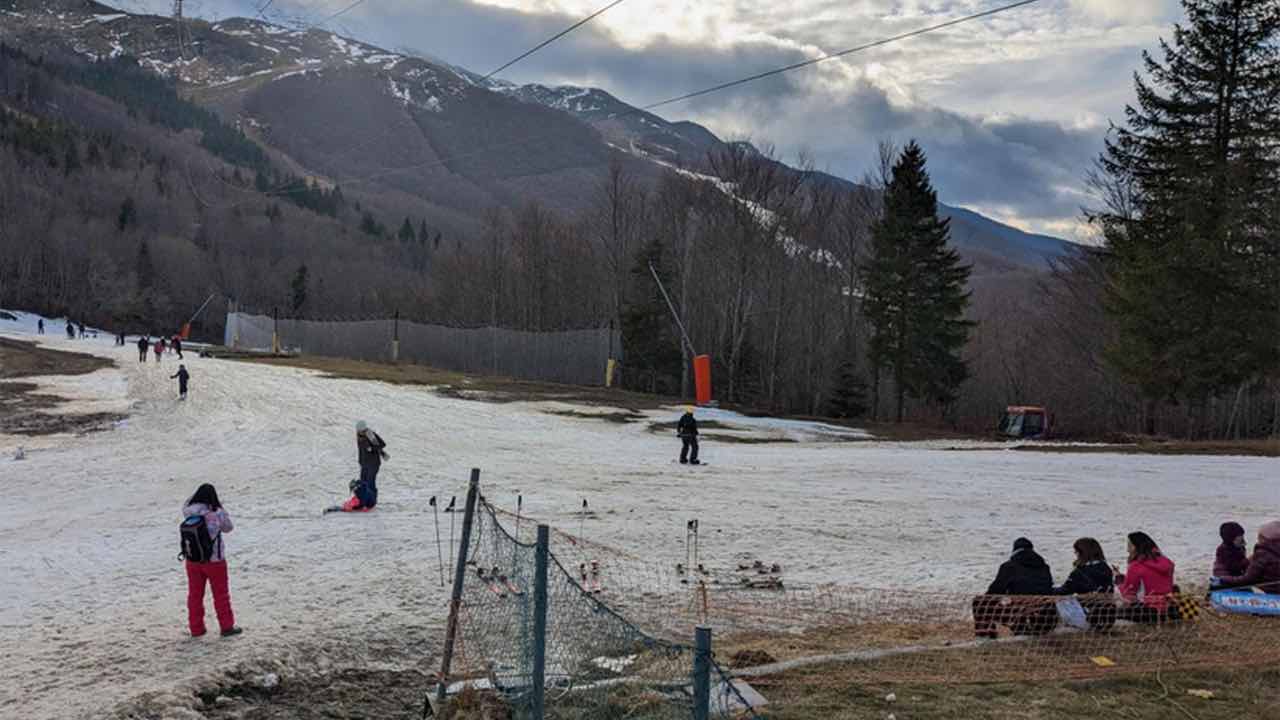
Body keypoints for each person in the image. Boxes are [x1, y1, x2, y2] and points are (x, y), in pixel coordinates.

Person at [181, 484, 242, 638]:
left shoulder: (188, 511)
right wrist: (219, 505)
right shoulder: (217, 513)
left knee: (195, 595)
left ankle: (196, 629)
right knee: (221, 595)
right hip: (215, 561)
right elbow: (228, 528)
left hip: (193, 560)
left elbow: (186, 502)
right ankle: (226, 627)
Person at [973, 538, 1056, 638]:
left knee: (980, 602)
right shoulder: (1044, 567)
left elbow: (995, 591)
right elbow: (1048, 587)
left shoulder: (1008, 567)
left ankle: (986, 636)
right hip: (1045, 617)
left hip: (1020, 613)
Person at [1053, 537, 1117, 630]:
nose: (1075, 555)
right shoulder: (1106, 568)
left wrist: (1047, 589)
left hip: (1089, 620)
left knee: (1061, 599)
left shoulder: (1079, 572)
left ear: (1081, 553)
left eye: (1076, 552)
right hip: (1109, 618)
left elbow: (1064, 591)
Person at [1115, 531, 1176, 623]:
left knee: (1113, 610)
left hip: (1146, 611)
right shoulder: (1166, 562)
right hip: (1167, 608)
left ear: (1136, 548)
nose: (1127, 550)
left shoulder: (1136, 566)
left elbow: (1129, 595)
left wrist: (1118, 581)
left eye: (1129, 546)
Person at [1214, 521, 1280, 592]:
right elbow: (1234, 567)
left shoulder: (1262, 553)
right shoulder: (1223, 550)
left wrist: (1250, 560)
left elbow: (1248, 578)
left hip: (1266, 588)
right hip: (1226, 575)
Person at [342, 421, 387, 512]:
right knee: (363, 482)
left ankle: (371, 503)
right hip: (364, 463)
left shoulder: (371, 435)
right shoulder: (359, 436)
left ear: (365, 429)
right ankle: (362, 501)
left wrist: (372, 449)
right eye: (358, 431)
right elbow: (361, 450)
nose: (360, 432)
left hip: (373, 463)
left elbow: (382, 444)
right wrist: (360, 461)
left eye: (361, 431)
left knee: (370, 482)